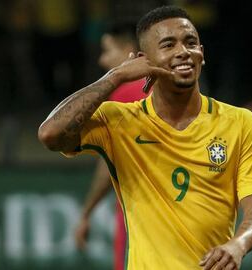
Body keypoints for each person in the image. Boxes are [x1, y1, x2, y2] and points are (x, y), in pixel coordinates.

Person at [38, 6, 252, 270]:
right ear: (144, 60)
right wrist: (115, 76)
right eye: (168, 45)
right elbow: (50, 134)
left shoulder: (238, 122)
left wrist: (238, 244)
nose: (183, 51)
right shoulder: (119, 120)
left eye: (191, 43)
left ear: (202, 55)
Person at [74, 22, 148, 270]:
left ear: (128, 50)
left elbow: (109, 164)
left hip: (137, 213)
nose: (103, 61)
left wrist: (86, 213)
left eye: (107, 51)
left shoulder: (126, 93)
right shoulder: (161, 89)